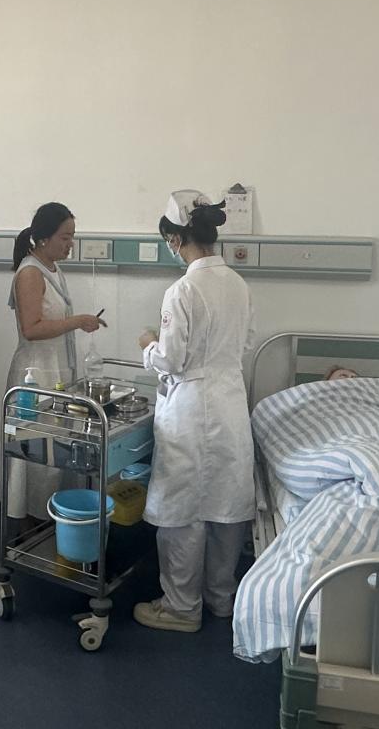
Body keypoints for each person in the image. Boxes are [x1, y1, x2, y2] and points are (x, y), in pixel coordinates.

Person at [133, 189, 258, 633]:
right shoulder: (238, 284)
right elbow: (245, 343)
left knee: (182, 511)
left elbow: (171, 359)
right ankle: (220, 597)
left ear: (174, 239)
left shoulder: (183, 290)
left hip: (191, 408)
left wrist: (149, 344)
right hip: (229, 402)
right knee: (225, 505)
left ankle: (181, 607)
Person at [5, 202, 104, 523]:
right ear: (44, 238)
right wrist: (78, 321)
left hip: (55, 372)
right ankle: (28, 525)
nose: (70, 244)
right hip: (35, 375)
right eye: (65, 237)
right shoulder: (30, 272)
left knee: (54, 452)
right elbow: (31, 329)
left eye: (72, 236)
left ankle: (50, 521)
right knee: (34, 454)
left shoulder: (51, 268)